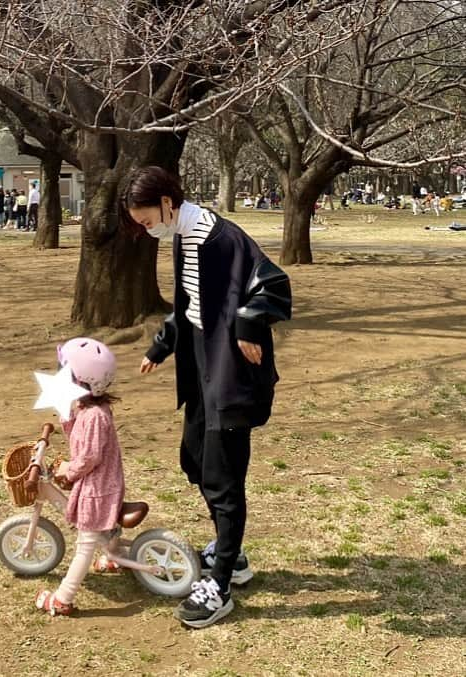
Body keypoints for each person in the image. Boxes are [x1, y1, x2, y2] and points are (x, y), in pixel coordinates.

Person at [121, 166, 291, 629]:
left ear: (167, 203)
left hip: (233, 374)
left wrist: (248, 324)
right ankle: (229, 553)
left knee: (224, 475)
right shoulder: (183, 233)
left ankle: (219, 584)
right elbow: (191, 303)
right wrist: (163, 343)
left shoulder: (220, 236)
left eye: (146, 219)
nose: (145, 228)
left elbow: (272, 284)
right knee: (196, 458)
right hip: (203, 367)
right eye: (139, 223)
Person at [35, 338, 124, 616]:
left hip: (97, 489)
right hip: (100, 484)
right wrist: (64, 412)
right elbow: (78, 439)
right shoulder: (87, 410)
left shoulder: (94, 416)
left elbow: (88, 458)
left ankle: (63, 598)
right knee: (102, 530)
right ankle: (115, 555)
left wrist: (68, 471)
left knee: (85, 544)